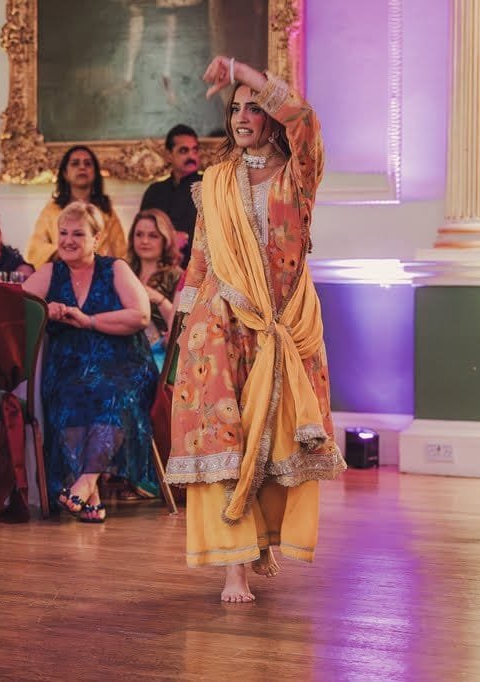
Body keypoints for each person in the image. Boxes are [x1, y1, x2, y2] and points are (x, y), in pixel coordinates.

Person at [163, 58, 345, 603]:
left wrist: (245, 70)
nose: (243, 116)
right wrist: (181, 323)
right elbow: (200, 259)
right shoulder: (215, 184)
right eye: (235, 108)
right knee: (223, 439)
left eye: (255, 107)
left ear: (271, 117)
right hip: (218, 325)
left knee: (276, 435)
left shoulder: (299, 175)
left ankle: (262, 541)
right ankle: (233, 568)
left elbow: (306, 120)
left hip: (283, 325)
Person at [23, 201, 158, 522]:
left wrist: (89, 321)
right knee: (69, 394)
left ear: (96, 238)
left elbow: (140, 316)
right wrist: (44, 309)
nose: (68, 240)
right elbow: (15, 305)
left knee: (109, 394)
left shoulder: (115, 268)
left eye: (78, 234)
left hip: (124, 363)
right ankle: (91, 495)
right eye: (63, 233)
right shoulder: (50, 271)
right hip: (69, 365)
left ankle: (84, 483)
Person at [25, 145, 127, 267]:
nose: (82, 167)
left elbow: (122, 253)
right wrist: (61, 253)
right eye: (75, 163)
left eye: (88, 164)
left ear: (95, 173)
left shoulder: (106, 212)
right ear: (65, 173)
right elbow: (35, 249)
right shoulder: (52, 210)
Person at [127, 208, 183, 372]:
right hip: (124, 350)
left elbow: (179, 327)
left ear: (165, 240)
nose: (144, 241)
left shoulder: (176, 276)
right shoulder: (124, 271)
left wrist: (158, 299)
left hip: (159, 357)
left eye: (153, 235)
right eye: (139, 235)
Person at [140, 124, 200, 265]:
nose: (191, 156)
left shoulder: (210, 188)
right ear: (168, 155)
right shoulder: (154, 191)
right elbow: (143, 231)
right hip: (159, 266)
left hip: (198, 269)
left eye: (195, 150)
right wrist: (170, 240)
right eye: (184, 151)